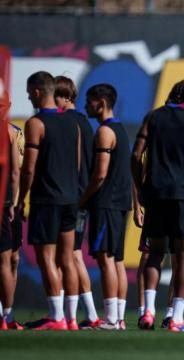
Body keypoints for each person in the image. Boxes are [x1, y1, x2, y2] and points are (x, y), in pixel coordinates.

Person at [132, 77, 184, 332]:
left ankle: (148, 311)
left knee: (154, 254)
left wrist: (141, 188)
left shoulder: (154, 116)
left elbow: (136, 155)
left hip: (156, 194)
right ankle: (176, 318)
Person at [18, 71, 80, 330]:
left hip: (47, 199)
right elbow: (77, 163)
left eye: (28, 91)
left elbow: (28, 169)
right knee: (67, 259)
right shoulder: (72, 122)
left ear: (36, 92)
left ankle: (56, 317)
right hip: (70, 198)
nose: (27, 96)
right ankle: (72, 318)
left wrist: (21, 199)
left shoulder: (35, 123)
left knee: (46, 257)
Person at [79, 83, 131, 330]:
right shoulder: (120, 129)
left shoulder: (104, 132)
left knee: (106, 260)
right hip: (120, 204)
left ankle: (111, 320)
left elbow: (100, 175)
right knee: (117, 260)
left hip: (106, 203)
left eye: (88, 101)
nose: (85, 106)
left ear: (100, 102)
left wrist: (82, 199)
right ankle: (118, 319)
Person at [53, 76, 101, 329]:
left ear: (61, 97)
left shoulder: (64, 122)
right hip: (81, 196)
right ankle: (84, 314)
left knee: (69, 256)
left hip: (69, 196)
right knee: (72, 255)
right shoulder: (85, 123)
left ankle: (67, 315)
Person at [0, 87, 23, 330]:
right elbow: (16, 172)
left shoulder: (14, 132)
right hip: (7, 204)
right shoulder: (9, 132)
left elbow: (20, 171)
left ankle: (6, 315)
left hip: (8, 204)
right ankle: (6, 316)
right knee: (5, 261)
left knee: (9, 260)